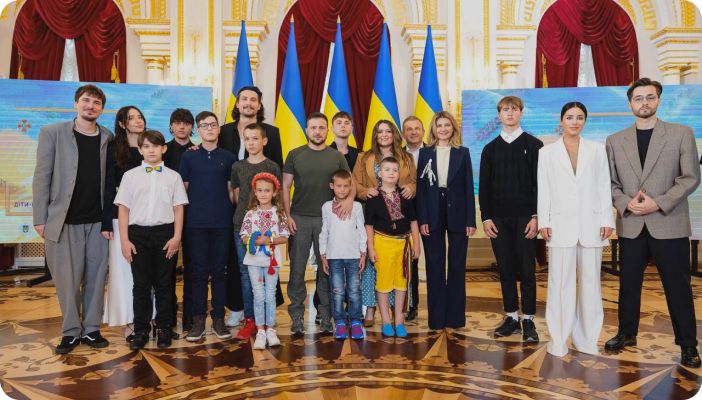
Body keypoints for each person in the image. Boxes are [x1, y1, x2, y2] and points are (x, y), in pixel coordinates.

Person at [604, 78, 701, 368]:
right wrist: (624, 203)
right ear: (630, 103)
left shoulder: (681, 133)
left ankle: (688, 345)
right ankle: (626, 333)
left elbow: (690, 177)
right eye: (638, 98)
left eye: (649, 97)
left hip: (668, 221)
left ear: (658, 100)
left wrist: (658, 201)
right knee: (628, 285)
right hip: (632, 223)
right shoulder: (615, 140)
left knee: (677, 287)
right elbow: (610, 183)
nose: (644, 103)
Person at [32, 84, 113, 354]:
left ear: (102, 109)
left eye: (96, 103)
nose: (91, 106)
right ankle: (70, 331)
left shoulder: (107, 137)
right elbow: (41, 177)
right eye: (86, 101)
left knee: (96, 277)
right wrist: (40, 218)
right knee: (66, 280)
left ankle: (91, 329)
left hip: (97, 223)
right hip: (63, 221)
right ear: (76, 104)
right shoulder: (52, 133)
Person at [537, 102, 614, 357]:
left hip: (592, 225)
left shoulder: (597, 149)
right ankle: (558, 339)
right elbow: (544, 188)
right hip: (559, 225)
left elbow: (604, 186)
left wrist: (607, 219)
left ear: (585, 121)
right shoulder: (547, 153)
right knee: (560, 284)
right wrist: (544, 222)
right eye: (570, 117)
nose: (575, 121)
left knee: (591, 285)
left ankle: (587, 340)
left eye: (580, 117)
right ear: (561, 121)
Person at [114, 130, 188, 350]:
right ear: (140, 150)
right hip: (137, 235)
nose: (151, 150)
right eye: (146, 146)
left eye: (155, 146)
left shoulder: (173, 176)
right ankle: (141, 329)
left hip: (165, 233)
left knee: (165, 284)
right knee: (141, 285)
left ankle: (164, 327)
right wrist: (124, 241)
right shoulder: (130, 176)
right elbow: (124, 210)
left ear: (164, 148)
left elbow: (178, 209)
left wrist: (176, 237)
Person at [283, 112, 353, 337]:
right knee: (296, 271)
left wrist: (350, 200)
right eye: (313, 127)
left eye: (322, 127)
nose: (317, 131)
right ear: (306, 130)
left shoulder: (337, 156)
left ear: (328, 131)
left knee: (326, 271)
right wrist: (287, 215)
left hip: (328, 220)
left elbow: (349, 184)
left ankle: (325, 317)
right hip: (299, 218)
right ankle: (296, 318)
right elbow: (285, 186)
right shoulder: (295, 155)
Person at [479, 96, 543, 343]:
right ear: (499, 115)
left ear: (521, 113)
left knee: (527, 269)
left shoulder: (535, 145)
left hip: (526, 219)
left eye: (514, 109)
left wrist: (537, 216)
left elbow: (540, 186)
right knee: (505, 268)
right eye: (505, 109)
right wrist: (486, 218)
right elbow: (484, 188)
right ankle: (511, 317)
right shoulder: (489, 149)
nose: (509, 113)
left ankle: (528, 319)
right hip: (498, 220)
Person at [352, 120, 416, 327]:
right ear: (375, 135)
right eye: (380, 131)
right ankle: (371, 308)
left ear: (394, 134)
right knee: (373, 267)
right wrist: (365, 192)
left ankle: (395, 311)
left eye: (388, 131)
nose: (384, 134)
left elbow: (415, 181)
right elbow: (355, 182)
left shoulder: (406, 157)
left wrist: (409, 187)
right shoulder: (365, 157)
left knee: (398, 271)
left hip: (400, 219)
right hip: (375, 217)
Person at [416, 111, 476, 331]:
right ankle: (437, 318)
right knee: (434, 263)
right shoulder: (425, 153)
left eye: (447, 125)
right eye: (439, 125)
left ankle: (455, 317)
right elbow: (421, 189)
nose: (443, 129)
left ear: (453, 128)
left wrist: (471, 219)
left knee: (457, 264)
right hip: (432, 212)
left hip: (459, 212)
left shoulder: (463, 153)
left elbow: (469, 187)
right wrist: (422, 218)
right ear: (433, 128)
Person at [179, 111, 236, 342]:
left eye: (213, 125)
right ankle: (198, 319)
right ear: (198, 130)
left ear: (219, 129)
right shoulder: (189, 157)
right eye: (204, 125)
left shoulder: (229, 157)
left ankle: (219, 318)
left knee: (220, 271)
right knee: (198, 272)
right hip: (195, 223)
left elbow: (232, 192)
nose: (209, 129)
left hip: (222, 222)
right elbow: (182, 189)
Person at [230, 123, 282, 340]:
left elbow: (278, 196)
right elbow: (236, 195)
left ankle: (268, 321)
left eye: (255, 138)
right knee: (246, 274)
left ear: (264, 141)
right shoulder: (238, 166)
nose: (251, 143)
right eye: (247, 139)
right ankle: (251, 319)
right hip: (243, 227)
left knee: (268, 275)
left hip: (269, 230)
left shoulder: (272, 166)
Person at [365, 157, 421, 337]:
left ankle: (399, 321)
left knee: (401, 284)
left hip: (403, 244)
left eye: (394, 170)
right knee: (383, 284)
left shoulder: (405, 197)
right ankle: (386, 322)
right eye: (387, 170)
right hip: (382, 244)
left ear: (399, 174)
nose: (391, 173)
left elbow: (413, 222)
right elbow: (369, 226)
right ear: (379, 174)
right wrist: (371, 248)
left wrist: (416, 245)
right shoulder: (373, 198)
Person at [102, 105, 146, 329]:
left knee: (149, 270)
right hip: (121, 217)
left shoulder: (151, 146)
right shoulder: (113, 149)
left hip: (148, 216)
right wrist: (106, 220)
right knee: (123, 268)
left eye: (140, 117)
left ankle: (150, 316)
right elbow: (108, 186)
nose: (138, 121)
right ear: (122, 124)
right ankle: (129, 319)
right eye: (132, 118)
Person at [240, 173, 289, 350]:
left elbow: (284, 237)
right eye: (260, 190)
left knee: (270, 294)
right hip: (254, 261)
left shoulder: (278, 214)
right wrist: (254, 241)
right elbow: (244, 237)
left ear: (274, 192)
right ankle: (260, 330)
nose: (263, 194)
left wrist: (270, 240)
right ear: (255, 192)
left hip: (271, 261)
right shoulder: (250, 214)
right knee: (258, 294)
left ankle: (271, 330)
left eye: (267, 191)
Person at [319, 169, 367, 340]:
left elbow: (361, 230)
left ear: (350, 187)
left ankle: (355, 321)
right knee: (337, 290)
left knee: (354, 290)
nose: (342, 190)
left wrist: (363, 253)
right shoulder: (326, 207)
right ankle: (339, 322)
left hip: (353, 255)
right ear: (332, 186)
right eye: (338, 186)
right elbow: (324, 231)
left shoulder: (356, 207)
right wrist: (323, 255)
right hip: (334, 257)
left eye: (346, 186)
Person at [164, 108, 195, 332]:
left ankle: (190, 316)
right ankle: (168, 315)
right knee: (167, 268)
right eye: (178, 123)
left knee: (193, 267)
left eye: (186, 123)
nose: (182, 127)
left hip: (193, 215)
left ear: (192, 127)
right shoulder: (162, 150)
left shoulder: (198, 150)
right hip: (166, 216)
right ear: (171, 126)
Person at [219, 86, 283, 168]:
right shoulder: (223, 131)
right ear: (237, 104)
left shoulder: (272, 132)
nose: (248, 103)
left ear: (259, 106)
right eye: (244, 99)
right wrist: (196, 147)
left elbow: (278, 167)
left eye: (253, 100)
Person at [401, 116, 425, 322]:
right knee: (410, 262)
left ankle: (437, 303)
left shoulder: (434, 152)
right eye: (409, 129)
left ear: (424, 131)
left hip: (431, 214)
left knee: (435, 260)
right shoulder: (397, 156)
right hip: (405, 215)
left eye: (417, 128)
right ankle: (411, 304)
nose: (413, 132)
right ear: (403, 133)